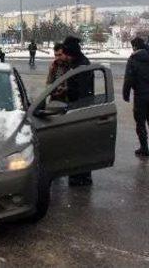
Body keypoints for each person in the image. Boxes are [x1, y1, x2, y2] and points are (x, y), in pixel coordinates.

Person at [60, 36, 94, 186]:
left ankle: (82, 177)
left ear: (71, 53)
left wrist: (76, 111)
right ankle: (78, 175)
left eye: (66, 53)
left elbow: (83, 92)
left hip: (81, 110)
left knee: (81, 145)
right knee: (78, 144)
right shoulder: (77, 63)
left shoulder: (82, 66)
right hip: (77, 109)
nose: (64, 56)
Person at [123, 37, 149, 157]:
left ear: (134, 47)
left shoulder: (133, 59)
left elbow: (129, 79)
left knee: (140, 121)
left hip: (140, 95)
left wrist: (126, 94)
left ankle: (144, 148)